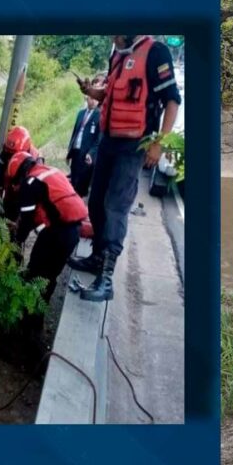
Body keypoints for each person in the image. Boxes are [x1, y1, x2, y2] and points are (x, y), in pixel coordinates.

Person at [69, 35, 182, 301]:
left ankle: (106, 279)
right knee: (95, 202)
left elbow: (172, 101)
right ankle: (97, 257)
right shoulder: (117, 54)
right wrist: (90, 91)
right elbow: (110, 93)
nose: (113, 38)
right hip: (108, 140)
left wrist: (159, 143)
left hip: (133, 145)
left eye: (116, 34)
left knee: (115, 206)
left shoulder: (156, 52)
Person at [6, 151, 89, 304]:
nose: (17, 185)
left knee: (36, 272)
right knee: (50, 276)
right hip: (73, 229)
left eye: (17, 180)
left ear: (21, 172)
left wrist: (13, 246)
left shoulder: (30, 183)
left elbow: (26, 222)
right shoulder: (50, 171)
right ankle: (37, 316)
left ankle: (29, 314)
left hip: (59, 232)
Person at [66, 94, 101, 196]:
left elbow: (99, 139)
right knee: (74, 178)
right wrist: (69, 151)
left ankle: (79, 203)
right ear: (87, 98)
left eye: (96, 99)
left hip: (86, 155)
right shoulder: (81, 113)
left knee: (82, 183)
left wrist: (91, 153)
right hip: (76, 150)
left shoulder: (99, 116)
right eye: (91, 98)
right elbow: (75, 132)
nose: (94, 101)